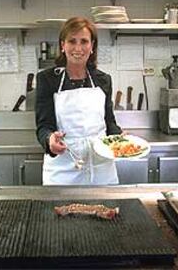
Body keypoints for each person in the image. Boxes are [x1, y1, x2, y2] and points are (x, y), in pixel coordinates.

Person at [35, 17, 123, 185]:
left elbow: (109, 122)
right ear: (63, 45)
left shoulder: (103, 80)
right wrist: (50, 140)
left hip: (101, 169)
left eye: (84, 41)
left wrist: (119, 138)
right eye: (72, 41)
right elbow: (43, 126)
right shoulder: (47, 79)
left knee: (106, 210)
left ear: (92, 46)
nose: (78, 48)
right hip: (63, 170)